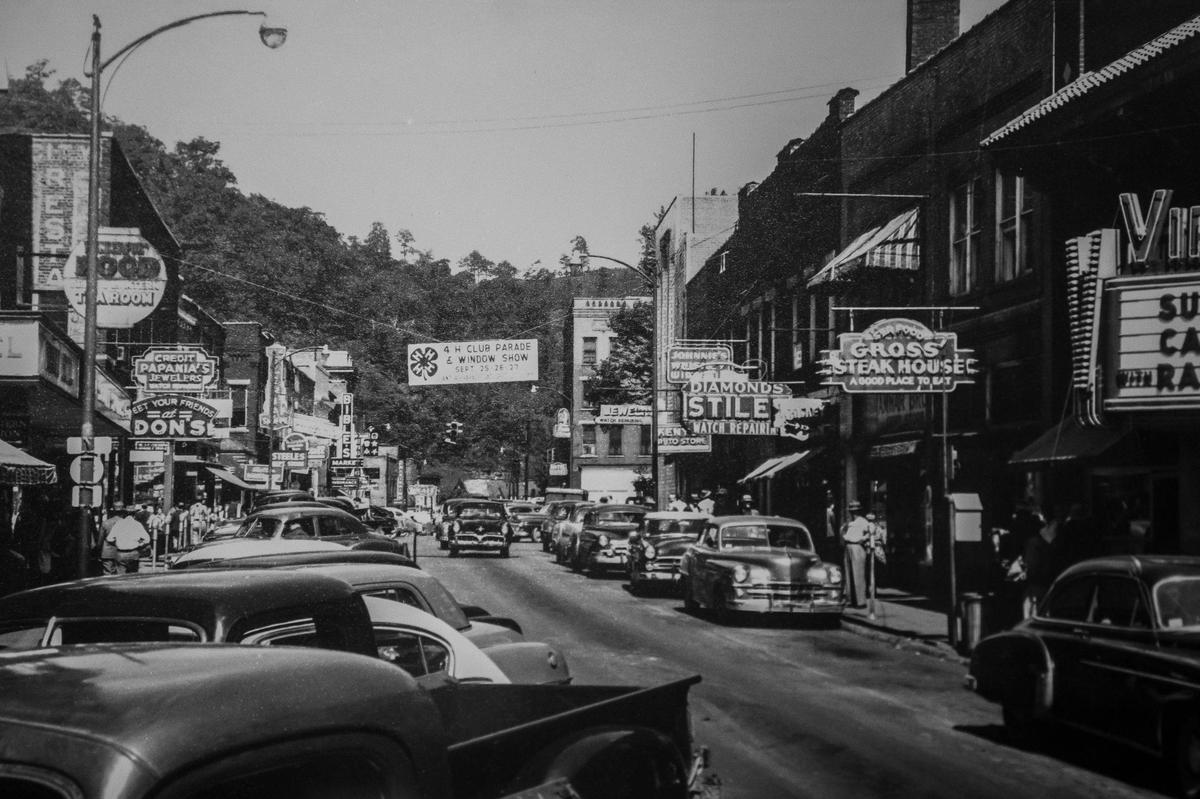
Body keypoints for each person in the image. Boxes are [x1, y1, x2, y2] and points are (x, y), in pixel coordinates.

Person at [1022, 505, 1061, 618]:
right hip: (1050, 583)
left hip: (1037, 585)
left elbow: (1032, 567)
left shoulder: (1034, 543)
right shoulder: (1057, 537)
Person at [841, 500, 871, 608]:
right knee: (849, 574)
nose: (853, 513)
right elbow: (843, 531)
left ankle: (860, 601)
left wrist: (862, 539)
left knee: (858, 573)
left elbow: (871, 531)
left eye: (855, 511)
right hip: (848, 546)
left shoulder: (863, 521)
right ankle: (851, 600)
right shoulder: (849, 522)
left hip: (857, 547)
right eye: (851, 511)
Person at [105, 509, 149, 574]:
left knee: (120, 577)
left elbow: (109, 539)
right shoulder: (137, 524)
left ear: (123, 515)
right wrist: (138, 543)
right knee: (133, 576)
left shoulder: (118, 524)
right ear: (134, 515)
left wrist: (117, 543)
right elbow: (146, 539)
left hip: (121, 553)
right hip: (134, 553)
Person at [98, 501, 125, 576]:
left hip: (107, 552)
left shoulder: (106, 523)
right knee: (121, 575)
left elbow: (100, 541)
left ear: (112, 511)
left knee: (108, 574)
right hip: (122, 551)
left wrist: (98, 551)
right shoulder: (126, 523)